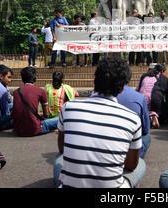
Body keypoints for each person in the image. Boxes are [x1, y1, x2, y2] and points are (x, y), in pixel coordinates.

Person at [53, 57, 145, 188]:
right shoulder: (132, 118)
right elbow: (131, 165)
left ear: (94, 80)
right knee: (141, 163)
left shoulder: (69, 107)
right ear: (121, 89)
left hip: (70, 185)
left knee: (59, 160)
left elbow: (62, 148)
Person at [11, 67, 59, 137]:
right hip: (35, 129)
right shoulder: (41, 91)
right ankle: (50, 129)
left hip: (18, 130)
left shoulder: (16, 92)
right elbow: (46, 114)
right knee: (60, 119)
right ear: (36, 78)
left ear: (22, 79)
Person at [117, 70, 151, 159]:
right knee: (146, 137)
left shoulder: (89, 103)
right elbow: (145, 129)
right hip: (124, 160)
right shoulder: (138, 97)